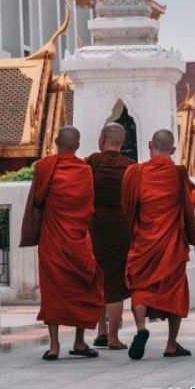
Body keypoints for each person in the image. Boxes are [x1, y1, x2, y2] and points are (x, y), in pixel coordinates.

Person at [121, 128, 195, 360]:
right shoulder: (178, 174)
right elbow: (193, 196)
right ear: (173, 150)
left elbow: (127, 206)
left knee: (141, 286)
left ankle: (140, 329)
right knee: (174, 289)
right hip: (171, 242)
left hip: (143, 241)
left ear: (149, 145)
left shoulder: (134, 173)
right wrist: (180, 212)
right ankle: (171, 344)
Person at [33, 125, 104, 360]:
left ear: (55, 141)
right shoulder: (84, 170)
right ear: (77, 145)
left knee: (52, 289)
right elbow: (89, 206)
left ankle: (54, 346)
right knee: (82, 286)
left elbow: (38, 199)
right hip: (78, 239)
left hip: (53, 239)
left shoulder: (45, 167)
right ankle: (79, 341)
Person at [85, 122, 135, 350]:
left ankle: (101, 332)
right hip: (120, 229)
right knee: (115, 283)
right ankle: (113, 337)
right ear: (122, 142)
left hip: (95, 227)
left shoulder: (91, 163)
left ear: (101, 139)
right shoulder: (131, 168)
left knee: (98, 280)